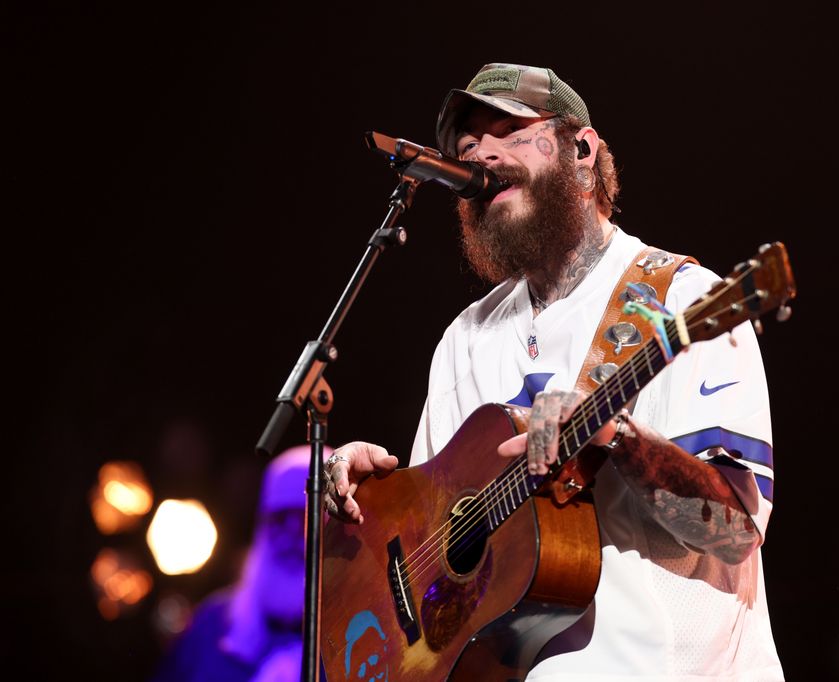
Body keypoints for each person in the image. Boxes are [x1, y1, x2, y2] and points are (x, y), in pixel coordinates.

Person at [325, 63, 783, 680]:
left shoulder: (681, 299)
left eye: (510, 132)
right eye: (466, 146)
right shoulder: (465, 339)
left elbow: (737, 528)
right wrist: (374, 501)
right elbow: (436, 546)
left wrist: (620, 439)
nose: (481, 154)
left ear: (583, 152)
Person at [152, 445, 322, 682]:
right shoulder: (212, 624)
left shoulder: (362, 639)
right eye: (281, 520)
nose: (292, 539)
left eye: (305, 521)